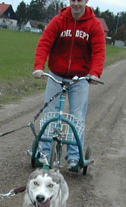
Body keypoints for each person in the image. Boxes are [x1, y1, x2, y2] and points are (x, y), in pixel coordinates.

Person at [32, 0, 106, 171]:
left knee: (76, 118)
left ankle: (74, 158)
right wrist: (38, 67)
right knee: (50, 115)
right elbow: (44, 43)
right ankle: (44, 154)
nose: (75, 4)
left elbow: (99, 50)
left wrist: (95, 73)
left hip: (80, 79)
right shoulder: (58, 21)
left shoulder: (94, 25)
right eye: (72, 0)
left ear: (86, 1)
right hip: (56, 75)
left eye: (79, 0)